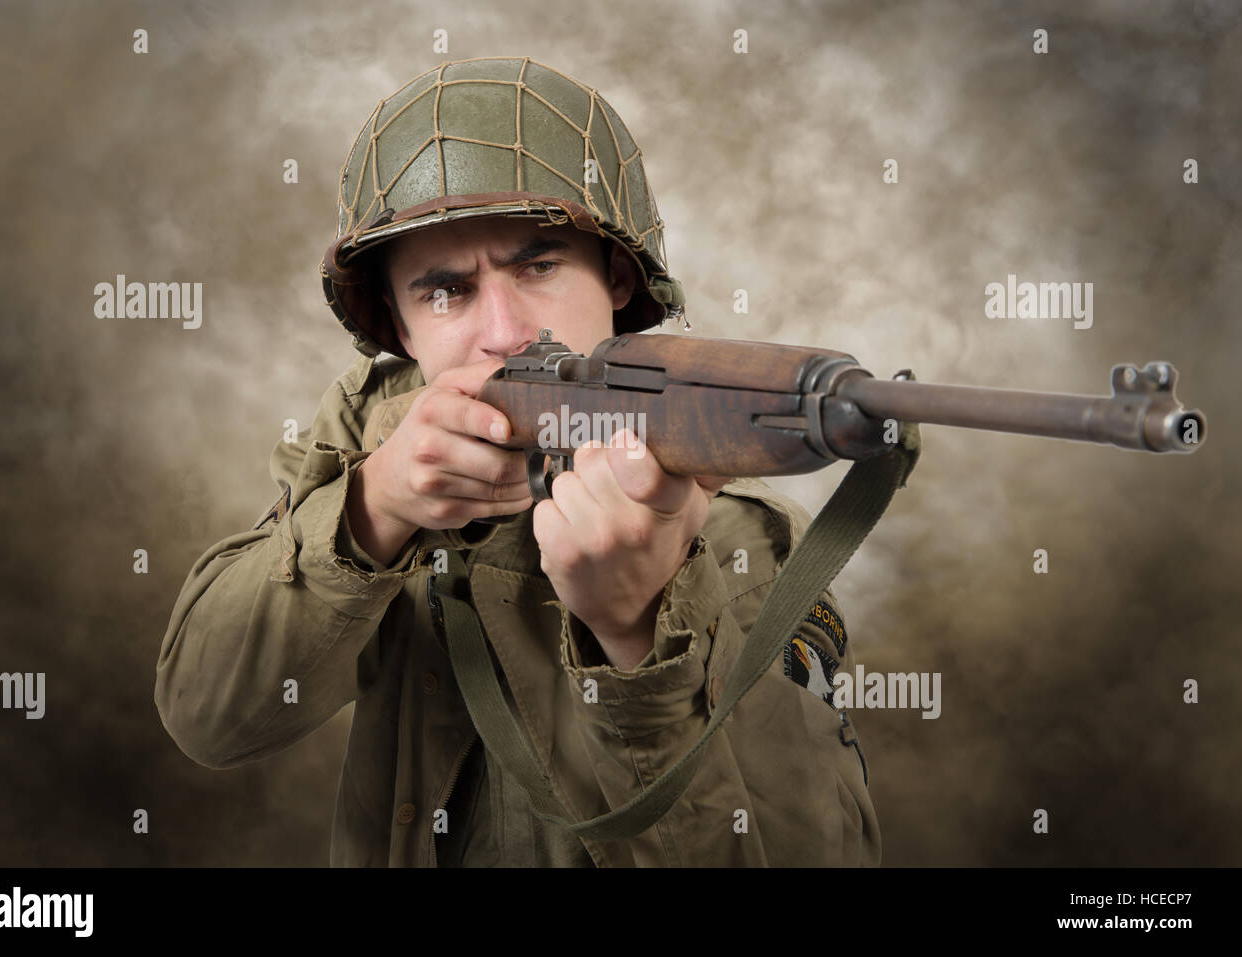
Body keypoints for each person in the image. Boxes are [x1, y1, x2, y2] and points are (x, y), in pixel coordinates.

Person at [155, 56, 878, 867]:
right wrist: (373, 510)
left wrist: (637, 631)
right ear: (398, 325)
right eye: (445, 291)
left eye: (538, 266)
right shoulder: (368, 444)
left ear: (616, 278)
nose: (503, 329)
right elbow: (205, 714)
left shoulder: (744, 543)